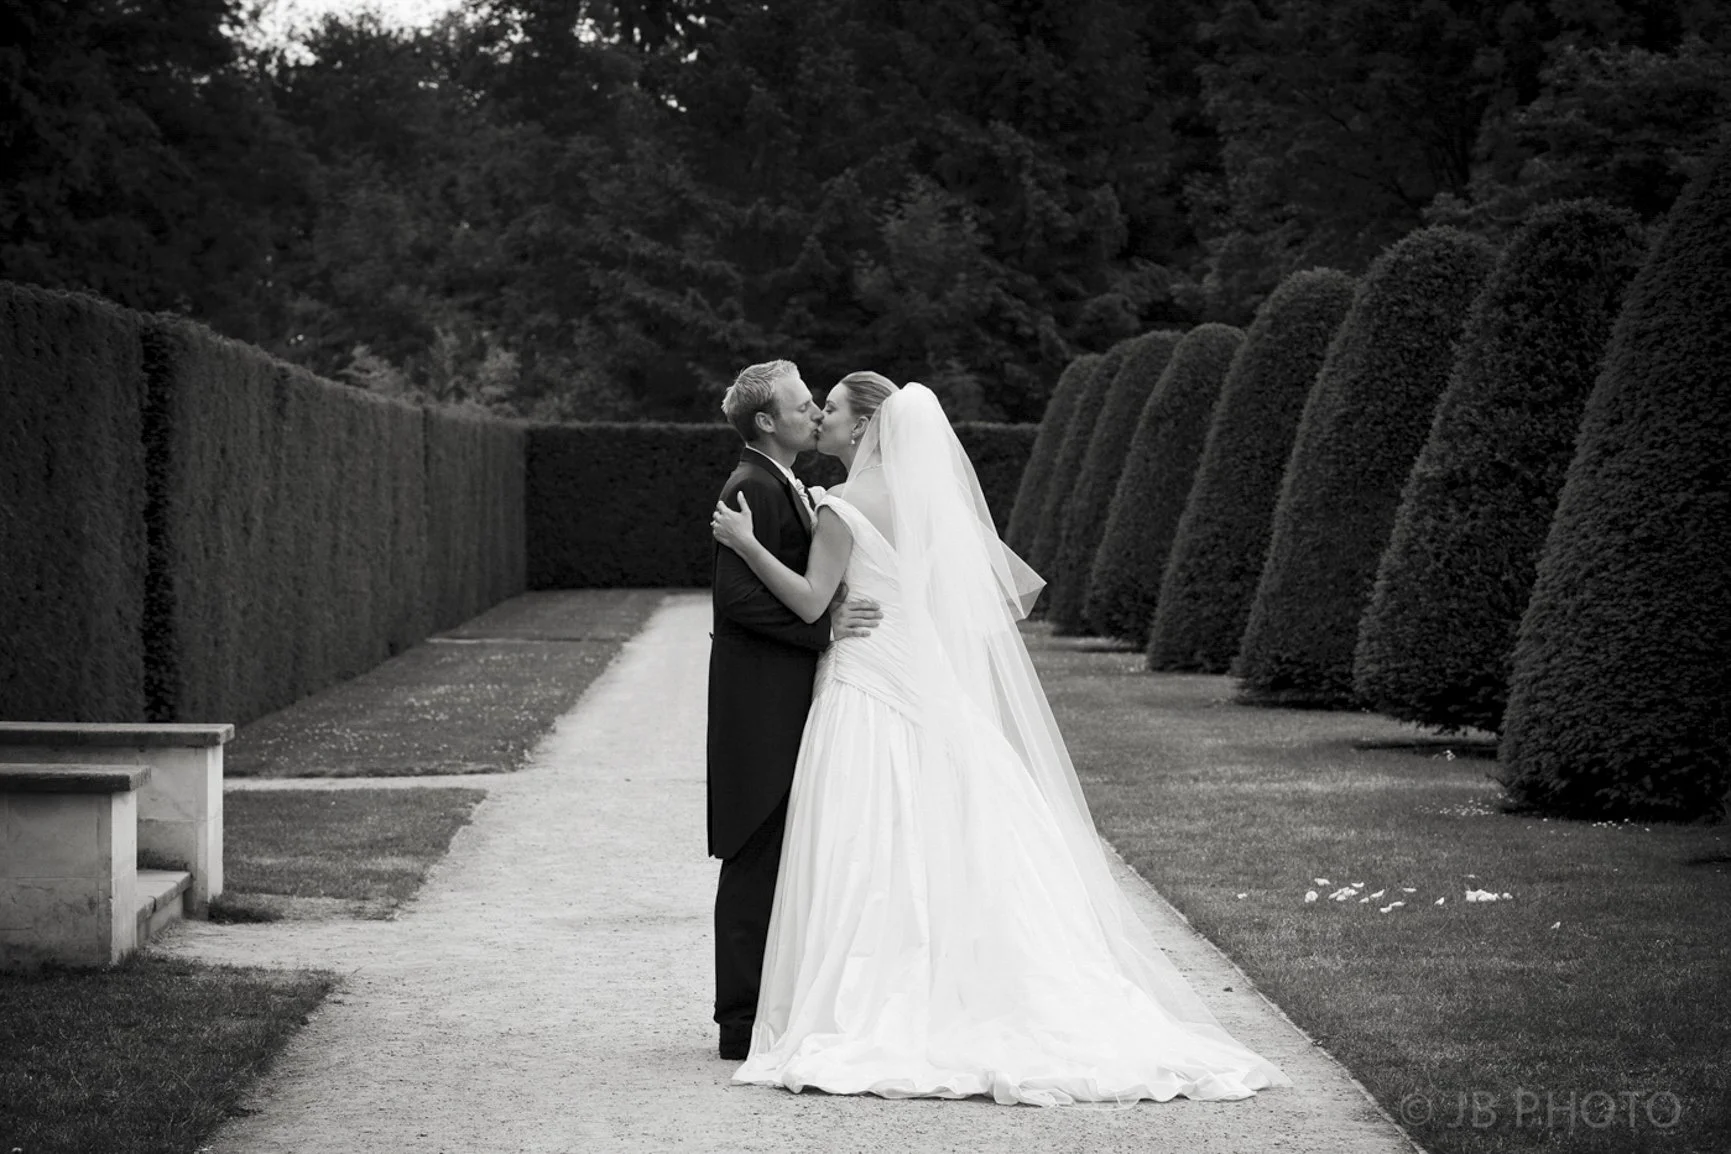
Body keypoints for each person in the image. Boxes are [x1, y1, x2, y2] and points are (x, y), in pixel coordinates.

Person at [709, 371, 1291, 1105]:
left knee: (865, 839)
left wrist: (746, 544)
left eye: (828, 409)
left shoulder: (841, 506)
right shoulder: (924, 506)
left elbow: (809, 599)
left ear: (862, 428)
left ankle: (864, 992)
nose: (819, 416)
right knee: (948, 831)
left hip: (864, 686)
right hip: (921, 682)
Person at [708, 360, 883, 1062]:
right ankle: (739, 1023)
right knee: (754, 847)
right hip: (759, 704)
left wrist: (833, 603)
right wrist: (828, 625)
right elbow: (738, 602)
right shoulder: (750, 485)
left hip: (787, 693)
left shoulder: (784, 484)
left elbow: (811, 582)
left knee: (783, 849)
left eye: (819, 405)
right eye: (803, 405)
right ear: (766, 422)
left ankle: (765, 1007)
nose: (815, 414)